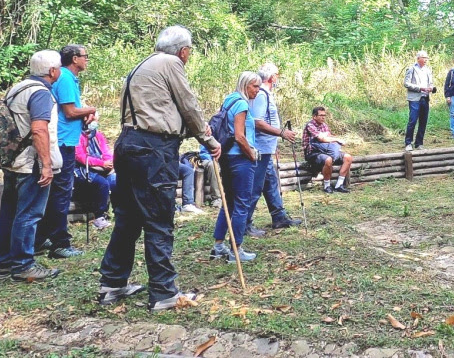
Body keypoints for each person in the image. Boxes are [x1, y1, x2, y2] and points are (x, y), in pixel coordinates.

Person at [99, 26, 221, 310]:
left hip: (128, 144)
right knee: (158, 219)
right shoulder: (171, 63)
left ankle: (112, 283)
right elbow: (188, 105)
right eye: (189, 52)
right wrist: (209, 140)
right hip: (153, 150)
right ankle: (164, 292)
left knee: (128, 218)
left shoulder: (141, 65)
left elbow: (159, 110)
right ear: (184, 50)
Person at [0, 50, 64, 282]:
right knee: (29, 215)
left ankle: (3, 264)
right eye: (59, 68)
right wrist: (46, 165)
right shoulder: (41, 93)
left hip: (13, 161)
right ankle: (23, 266)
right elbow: (39, 129)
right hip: (31, 163)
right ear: (52, 71)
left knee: (9, 213)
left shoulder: (17, 88)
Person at [38, 45, 96, 259]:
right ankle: (60, 243)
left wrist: (85, 115)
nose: (87, 60)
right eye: (84, 57)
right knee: (61, 194)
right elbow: (70, 111)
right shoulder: (65, 78)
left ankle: (41, 238)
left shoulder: (68, 79)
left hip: (64, 140)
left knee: (54, 192)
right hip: (62, 143)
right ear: (74, 58)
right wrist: (90, 110)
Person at [210, 71, 261, 264]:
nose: (257, 90)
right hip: (240, 159)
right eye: (255, 86)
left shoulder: (229, 100)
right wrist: (251, 154)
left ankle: (218, 245)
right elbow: (240, 136)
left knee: (229, 202)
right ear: (245, 85)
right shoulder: (241, 103)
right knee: (241, 204)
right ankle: (236, 249)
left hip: (226, 157)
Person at [247, 62, 302, 234]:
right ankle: (245, 224)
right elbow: (257, 122)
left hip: (266, 148)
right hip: (260, 149)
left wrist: (274, 143)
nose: (278, 77)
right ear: (272, 77)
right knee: (255, 187)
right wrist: (281, 133)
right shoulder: (262, 94)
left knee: (270, 183)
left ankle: (279, 217)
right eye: (277, 74)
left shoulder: (264, 93)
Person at [74, 124, 119, 229]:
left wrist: (109, 162)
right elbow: (80, 157)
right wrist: (101, 163)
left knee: (114, 181)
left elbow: (105, 151)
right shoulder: (77, 136)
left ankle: (118, 212)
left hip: (100, 167)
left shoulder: (97, 135)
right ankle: (99, 216)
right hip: (81, 169)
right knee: (102, 183)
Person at [303, 106, 353, 194]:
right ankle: (327, 185)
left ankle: (339, 185)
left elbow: (328, 138)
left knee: (348, 157)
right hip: (313, 152)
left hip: (326, 149)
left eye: (324, 115)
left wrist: (327, 137)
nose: (323, 117)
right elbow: (322, 139)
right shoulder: (310, 125)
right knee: (328, 159)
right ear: (314, 116)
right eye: (321, 115)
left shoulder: (324, 125)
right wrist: (336, 139)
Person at [404, 50, 434, 151]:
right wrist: (420, 88)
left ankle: (419, 143)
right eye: (424, 57)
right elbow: (406, 83)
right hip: (414, 99)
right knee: (412, 120)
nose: (426, 60)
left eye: (426, 58)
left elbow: (431, 83)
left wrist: (431, 88)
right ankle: (408, 143)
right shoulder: (411, 69)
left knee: (423, 121)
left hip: (425, 98)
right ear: (418, 58)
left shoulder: (428, 70)